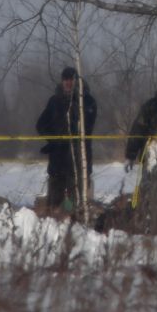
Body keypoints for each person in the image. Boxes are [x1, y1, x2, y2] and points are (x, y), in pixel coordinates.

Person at [36, 66, 97, 214]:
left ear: (77, 81)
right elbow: (40, 125)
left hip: (78, 161)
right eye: (65, 80)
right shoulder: (54, 101)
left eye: (71, 80)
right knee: (55, 203)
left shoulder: (87, 101)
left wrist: (75, 104)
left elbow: (87, 127)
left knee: (75, 203)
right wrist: (53, 140)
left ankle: (74, 227)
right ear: (62, 82)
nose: (68, 83)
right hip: (58, 161)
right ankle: (54, 228)